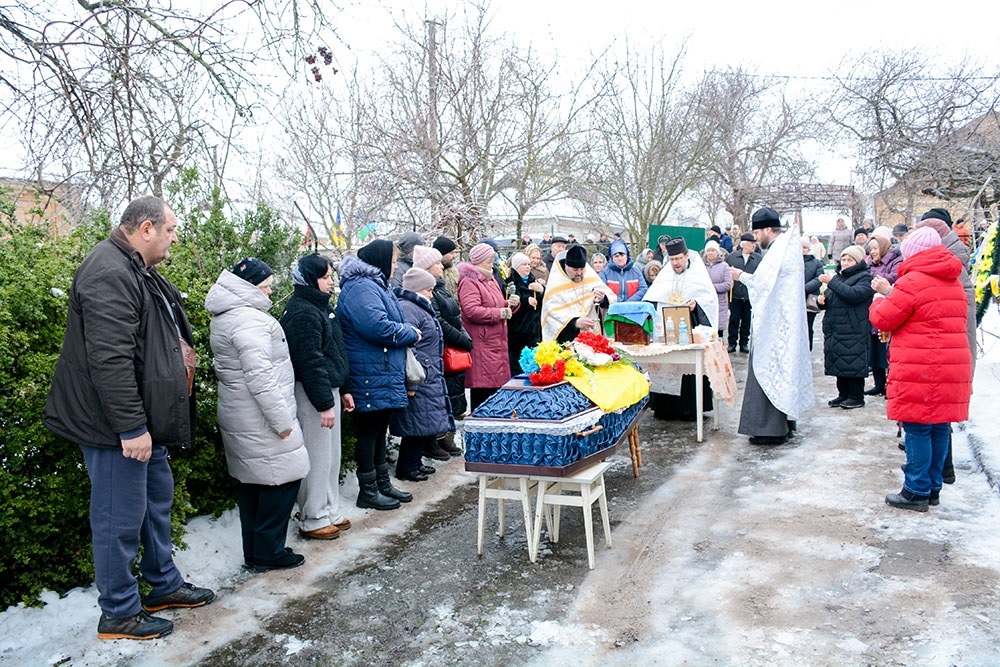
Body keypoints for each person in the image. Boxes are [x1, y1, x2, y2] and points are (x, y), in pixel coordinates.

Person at [44, 195, 213, 640]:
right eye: (171, 230)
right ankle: (118, 611)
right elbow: (109, 359)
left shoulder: (134, 268)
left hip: (141, 421)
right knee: (119, 515)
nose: (175, 237)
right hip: (112, 427)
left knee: (156, 498)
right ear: (145, 229)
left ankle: (163, 585)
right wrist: (130, 427)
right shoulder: (108, 271)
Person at [206, 257, 310, 570]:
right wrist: (282, 421)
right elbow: (260, 377)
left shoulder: (231, 316)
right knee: (283, 479)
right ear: (249, 286)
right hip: (262, 417)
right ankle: (268, 552)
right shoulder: (248, 320)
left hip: (243, 414)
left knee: (252, 483)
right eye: (264, 286)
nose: (268, 292)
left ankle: (254, 551)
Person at [870, 227, 971, 511]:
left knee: (917, 427)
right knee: (939, 426)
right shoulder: (953, 280)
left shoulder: (912, 281)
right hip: (950, 367)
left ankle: (916, 489)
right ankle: (933, 487)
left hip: (922, 366)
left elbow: (884, 318)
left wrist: (879, 300)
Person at [337, 240, 421, 510]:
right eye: (393, 261)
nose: (396, 265)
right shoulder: (362, 287)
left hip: (378, 370)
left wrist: (405, 329)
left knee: (379, 430)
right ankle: (368, 490)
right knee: (369, 431)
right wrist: (411, 333)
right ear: (381, 260)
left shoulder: (374, 285)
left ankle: (382, 484)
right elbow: (378, 327)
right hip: (368, 373)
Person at [279, 254, 354, 541]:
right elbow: (309, 362)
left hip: (328, 389)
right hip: (312, 394)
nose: (330, 281)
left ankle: (329, 509)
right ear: (310, 279)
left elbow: (336, 351)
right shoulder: (303, 312)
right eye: (324, 277)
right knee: (317, 456)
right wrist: (324, 402)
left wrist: (345, 388)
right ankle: (312, 517)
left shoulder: (322, 307)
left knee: (331, 457)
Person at [729, 207, 814, 445]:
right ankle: (782, 425)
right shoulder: (785, 247)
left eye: (757, 233)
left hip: (775, 325)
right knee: (779, 371)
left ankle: (770, 429)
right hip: (781, 321)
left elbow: (762, 285)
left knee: (767, 369)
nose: (755, 239)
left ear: (767, 229)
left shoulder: (778, 251)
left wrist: (739, 275)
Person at [391, 268, 455, 482]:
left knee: (422, 421)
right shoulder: (409, 308)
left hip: (429, 372)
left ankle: (415, 462)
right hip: (420, 374)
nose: (431, 294)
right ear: (418, 289)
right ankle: (407, 467)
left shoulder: (418, 306)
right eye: (428, 290)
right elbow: (411, 346)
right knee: (415, 423)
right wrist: (414, 378)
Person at [644, 237, 718, 420]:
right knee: (665, 367)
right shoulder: (665, 274)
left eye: (678, 258)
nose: (675, 263)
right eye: (672, 259)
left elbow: (709, 301)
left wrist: (696, 305)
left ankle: (690, 409)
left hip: (689, 331)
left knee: (688, 369)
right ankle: (664, 408)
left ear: (686, 256)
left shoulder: (698, 274)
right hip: (666, 330)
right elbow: (652, 298)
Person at [415, 244, 465, 458]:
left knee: (447, 394)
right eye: (436, 262)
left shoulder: (440, 286)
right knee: (434, 398)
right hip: (441, 348)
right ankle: (434, 440)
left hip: (451, 344)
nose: (441, 265)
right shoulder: (427, 290)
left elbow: (453, 313)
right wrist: (462, 338)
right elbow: (439, 320)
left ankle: (444, 437)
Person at [459, 242, 517, 411]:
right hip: (482, 345)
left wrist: (511, 304)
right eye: (489, 259)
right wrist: (500, 313)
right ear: (479, 261)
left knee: (494, 393)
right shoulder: (470, 281)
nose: (493, 262)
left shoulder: (489, 279)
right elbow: (471, 311)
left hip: (494, 343)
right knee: (483, 392)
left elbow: (497, 304)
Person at [817, 246, 875, 409]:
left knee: (853, 362)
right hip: (836, 327)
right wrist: (822, 302)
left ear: (858, 261)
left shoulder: (864, 278)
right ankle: (843, 394)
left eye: (849, 260)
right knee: (839, 362)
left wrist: (832, 282)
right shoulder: (839, 277)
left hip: (853, 328)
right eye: (843, 259)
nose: (845, 263)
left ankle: (856, 396)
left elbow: (853, 295)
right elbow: (831, 296)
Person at [540, 244, 617, 343]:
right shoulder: (556, 282)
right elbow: (551, 313)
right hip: (568, 340)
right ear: (566, 266)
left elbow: (611, 298)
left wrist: (602, 299)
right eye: (575, 270)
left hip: (593, 335)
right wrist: (574, 322)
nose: (580, 273)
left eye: (582, 269)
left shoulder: (589, 274)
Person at [864, 236, 903, 395]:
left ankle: (890, 386)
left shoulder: (895, 260)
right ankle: (879, 384)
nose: (872, 252)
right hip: (873, 308)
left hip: (887, 307)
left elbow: (892, 278)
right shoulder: (869, 264)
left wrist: (875, 284)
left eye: (875, 248)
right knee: (874, 351)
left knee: (886, 350)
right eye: (871, 249)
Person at [505, 252, 544, 375]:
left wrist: (542, 291)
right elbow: (508, 303)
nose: (527, 267)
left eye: (528, 264)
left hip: (535, 331)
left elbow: (546, 302)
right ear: (516, 267)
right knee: (518, 368)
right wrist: (525, 302)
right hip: (518, 333)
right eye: (523, 264)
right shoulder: (509, 283)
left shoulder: (535, 282)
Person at [725, 232, 761, 353]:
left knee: (747, 321)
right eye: (751, 243)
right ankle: (732, 343)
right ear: (744, 244)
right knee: (734, 320)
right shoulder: (732, 257)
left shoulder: (758, 259)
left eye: (754, 243)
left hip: (749, 295)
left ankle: (744, 343)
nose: (753, 245)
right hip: (735, 294)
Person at [702, 239, 732, 340]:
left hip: (720, 303)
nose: (710, 253)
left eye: (713, 250)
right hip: (704, 302)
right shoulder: (701, 266)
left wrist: (711, 287)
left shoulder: (724, 266)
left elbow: (728, 284)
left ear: (717, 252)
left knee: (718, 334)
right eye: (708, 250)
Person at [802, 237, 826, 352]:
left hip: (810, 298)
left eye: (805, 247)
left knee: (808, 325)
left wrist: (804, 288)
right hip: (794, 299)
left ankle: (807, 348)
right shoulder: (792, 263)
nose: (802, 250)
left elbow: (819, 279)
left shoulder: (816, 263)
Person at [433, 235, 461, 300]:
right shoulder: (432, 274)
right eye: (451, 253)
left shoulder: (455, 271)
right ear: (441, 254)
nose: (454, 256)